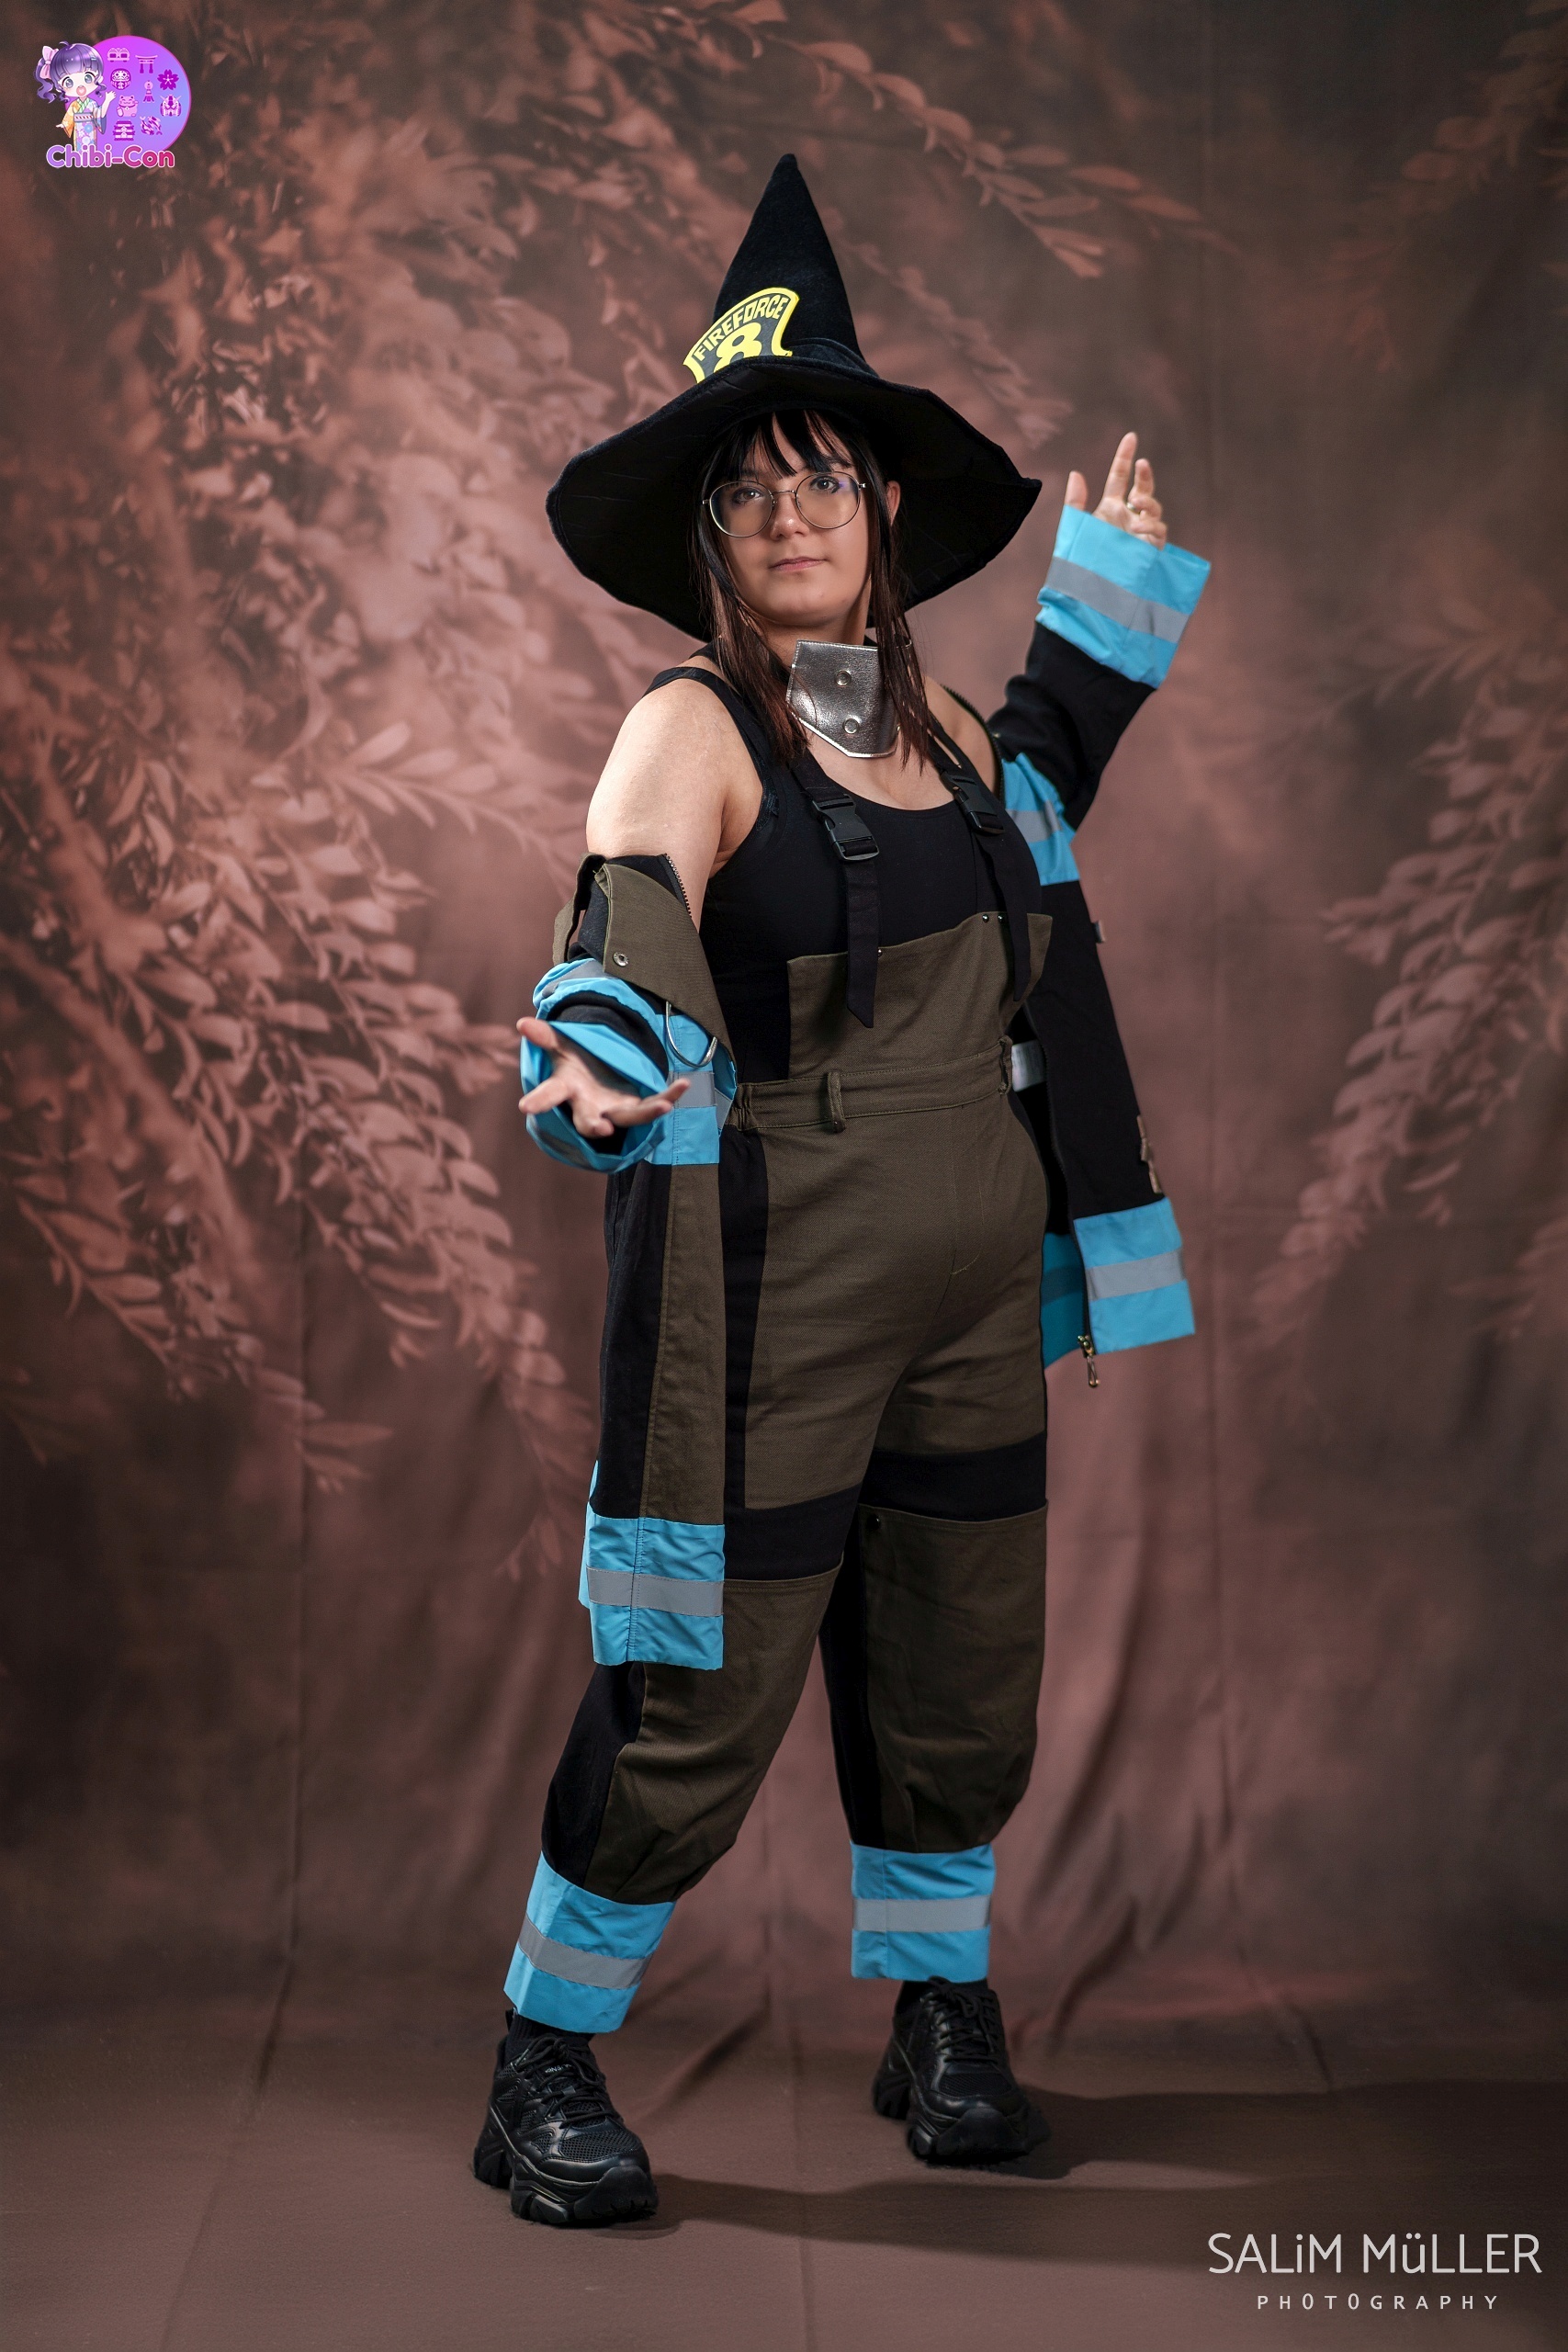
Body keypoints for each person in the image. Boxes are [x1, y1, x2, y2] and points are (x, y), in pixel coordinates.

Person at [474, 156, 1209, 2227]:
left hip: (972, 1311)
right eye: (747, 490)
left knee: (957, 1670)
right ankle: (540, 2053)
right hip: (775, 1313)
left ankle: (940, 2012)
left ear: (883, 504)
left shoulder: (942, 727)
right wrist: (597, 1050)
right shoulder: (688, 731)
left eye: (820, 477)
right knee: (698, 1698)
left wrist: (1103, 621)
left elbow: (1032, 811)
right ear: (708, 539)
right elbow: (624, 914)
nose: (789, 513)